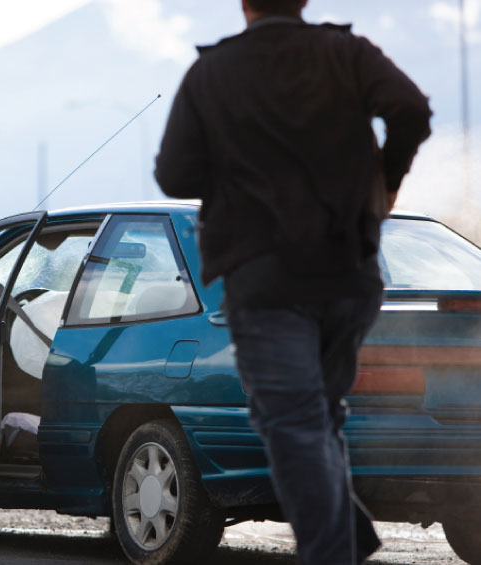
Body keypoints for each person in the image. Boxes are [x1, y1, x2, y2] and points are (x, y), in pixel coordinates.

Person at [155, 1, 431, 563]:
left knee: (295, 425)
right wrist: (385, 184)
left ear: (244, 4)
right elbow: (411, 109)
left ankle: (333, 553)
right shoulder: (345, 52)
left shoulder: (213, 72)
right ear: (303, 1)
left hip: (265, 277)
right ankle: (347, 542)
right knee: (318, 417)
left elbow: (174, 174)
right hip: (348, 274)